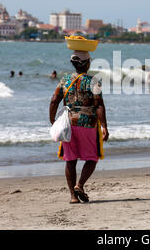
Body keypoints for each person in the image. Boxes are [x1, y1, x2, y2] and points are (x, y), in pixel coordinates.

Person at [49, 50, 109, 204]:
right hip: (88, 124)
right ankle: (79, 185)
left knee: (70, 160)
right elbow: (99, 105)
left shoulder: (64, 80)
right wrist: (104, 127)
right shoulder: (94, 81)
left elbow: (54, 100)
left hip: (69, 124)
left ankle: (73, 197)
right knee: (92, 158)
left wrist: (52, 119)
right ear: (87, 63)